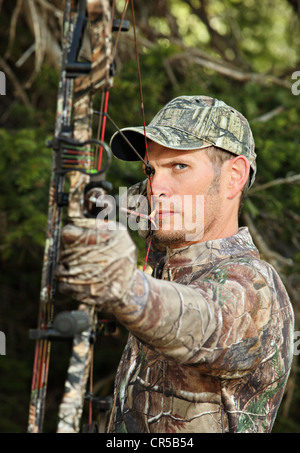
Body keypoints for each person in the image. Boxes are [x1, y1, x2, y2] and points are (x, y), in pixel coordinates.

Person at [57, 95, 294, 433]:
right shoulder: (168, 266)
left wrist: (121, 283)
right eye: (151, 169)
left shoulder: (253, 285)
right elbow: (137, 209)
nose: (157, 187)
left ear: (234, 176)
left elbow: (200, 320)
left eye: (179, 167)